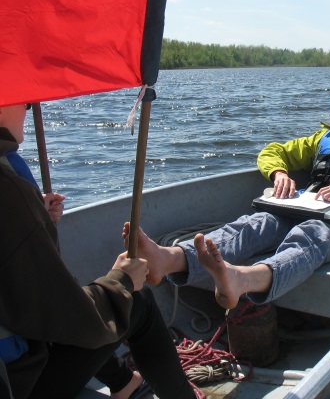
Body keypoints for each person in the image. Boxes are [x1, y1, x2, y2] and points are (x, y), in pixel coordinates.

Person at [124, 79, 330, 311]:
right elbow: (273, 151)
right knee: (256, 224)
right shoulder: (322, 138)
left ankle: (242, 279)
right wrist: (279, 172)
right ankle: (169, 258)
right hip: (309, 207)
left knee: (311, 235)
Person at [0, 103, 196, 399]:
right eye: (23, 100)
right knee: (136, 302)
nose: (28, 106)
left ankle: (122, 382)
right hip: (19, 384)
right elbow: (70, 319)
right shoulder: (7, 191)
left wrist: (34, 215)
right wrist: (123, 280)